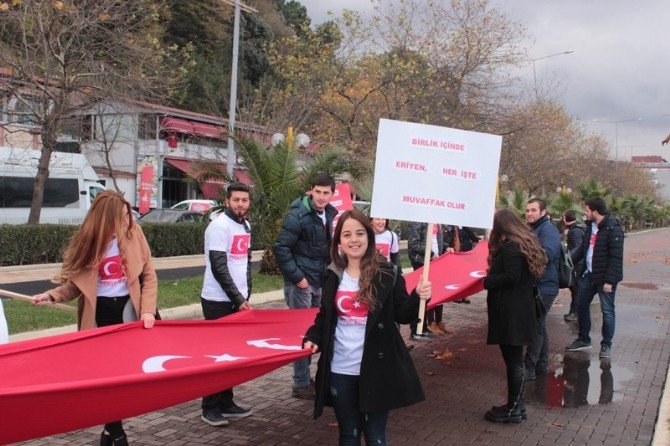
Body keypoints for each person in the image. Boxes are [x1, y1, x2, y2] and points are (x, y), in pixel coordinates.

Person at [31, 190, 157, 446]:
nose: (126, 221)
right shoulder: (88, 242)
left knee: (124, 377)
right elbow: (74, 286)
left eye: (127, 215)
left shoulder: (135, 234)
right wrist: (51, 295)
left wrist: (147, 310)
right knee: (106, 378)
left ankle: (111, 432)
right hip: (98, 315)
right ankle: (116, 432)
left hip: (128, 313)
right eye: (120, 217)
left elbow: (149, 276)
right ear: (104, 219)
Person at [303, 210, 431, 445]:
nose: (354, 240)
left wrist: (418, 297)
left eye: (360, 233)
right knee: (348, 433)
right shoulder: (333, 274)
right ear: (339, 241)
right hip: (340, 369)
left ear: (369, 237)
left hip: (377, 369)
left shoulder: (387, 272)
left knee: (375, 436)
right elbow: (325, 316)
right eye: (347, 234)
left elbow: (403, 314)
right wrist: (313, 336)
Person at [274, 174, 338, 399]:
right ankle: (300, 383)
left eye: (326, 193)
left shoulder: (329, 215)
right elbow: (281, 249)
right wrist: (298, 279)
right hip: (302, 284)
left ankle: (307, 379)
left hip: (319, 282)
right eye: (317, 192)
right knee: (302, 334)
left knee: (315, 331)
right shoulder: (297, 215)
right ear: (311, 191)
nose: (321, 197)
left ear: (332, 194)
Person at [483, 209, 546, 424]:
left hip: (512, 312)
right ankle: (516, 405)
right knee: (514, 360)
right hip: (517, 310)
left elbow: (510, 276)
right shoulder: (521, 244)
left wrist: (487, 281)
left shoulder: (511, 247)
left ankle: (514, 408)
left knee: (514, 361)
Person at [199, 183, 254, 426]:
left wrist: (247, 294)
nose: (240, 204)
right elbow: (219, 267)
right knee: (216, 356)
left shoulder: (246, 225)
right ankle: (209, 406)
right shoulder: (219, 226)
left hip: (238, 300)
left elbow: (246, 262)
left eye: (244, 200)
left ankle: (226, 401)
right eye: (236, 200)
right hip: (217, 300)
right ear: (228, 201)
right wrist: (238, 299)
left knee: (231, 355)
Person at [566, 197, 624, 358]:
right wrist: (567, 260)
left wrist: (610, 281)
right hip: (589, 275)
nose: (585, 213)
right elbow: (584, 249)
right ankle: (584, 339)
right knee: (581, 304)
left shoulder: (614, 228)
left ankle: (606, 345)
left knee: (607, 311)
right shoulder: (590, 227)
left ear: (595, 211)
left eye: (587, 210)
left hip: (605, 279)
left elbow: (616, 257)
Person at [523, 198, 561, 380]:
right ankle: (541, 365)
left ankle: (529, 367)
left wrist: (523, 258)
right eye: (527, 210)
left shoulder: (548, 229)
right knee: (539, 325)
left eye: (533, 210)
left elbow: (548, 254)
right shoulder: (533, 229)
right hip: (538, 285)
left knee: (535, 325)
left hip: (545, 286)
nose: (529, 213)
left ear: (543, 212)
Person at [407, 221, 445, 339]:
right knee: (419, 297)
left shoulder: (437, 222)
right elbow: (413, 244)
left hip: (435, 264)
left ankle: (424, 328)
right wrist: (431, 253)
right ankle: (415, 330)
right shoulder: (418, 221)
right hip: (422, 263)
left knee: (429, 297)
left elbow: (437, 242)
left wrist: (447, 247)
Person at [562, 209, 585, 322]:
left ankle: (575, 313)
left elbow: (577, 247)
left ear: (566, 219)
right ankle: (575, 312)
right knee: (576, 289)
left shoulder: (575, 231)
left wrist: (568, 259)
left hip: (577, 264)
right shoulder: (577, 228)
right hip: (578, 263)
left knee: (576, 289)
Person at [446, 225, 480, 303]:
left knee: (464, 276)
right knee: (456, 276)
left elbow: (474, 238)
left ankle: (464, 295)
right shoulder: (450, 228)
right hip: (455, 255)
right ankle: (456, 295)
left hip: (466, 256)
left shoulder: (466, 228)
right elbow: (446, 239)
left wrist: (481, 242)